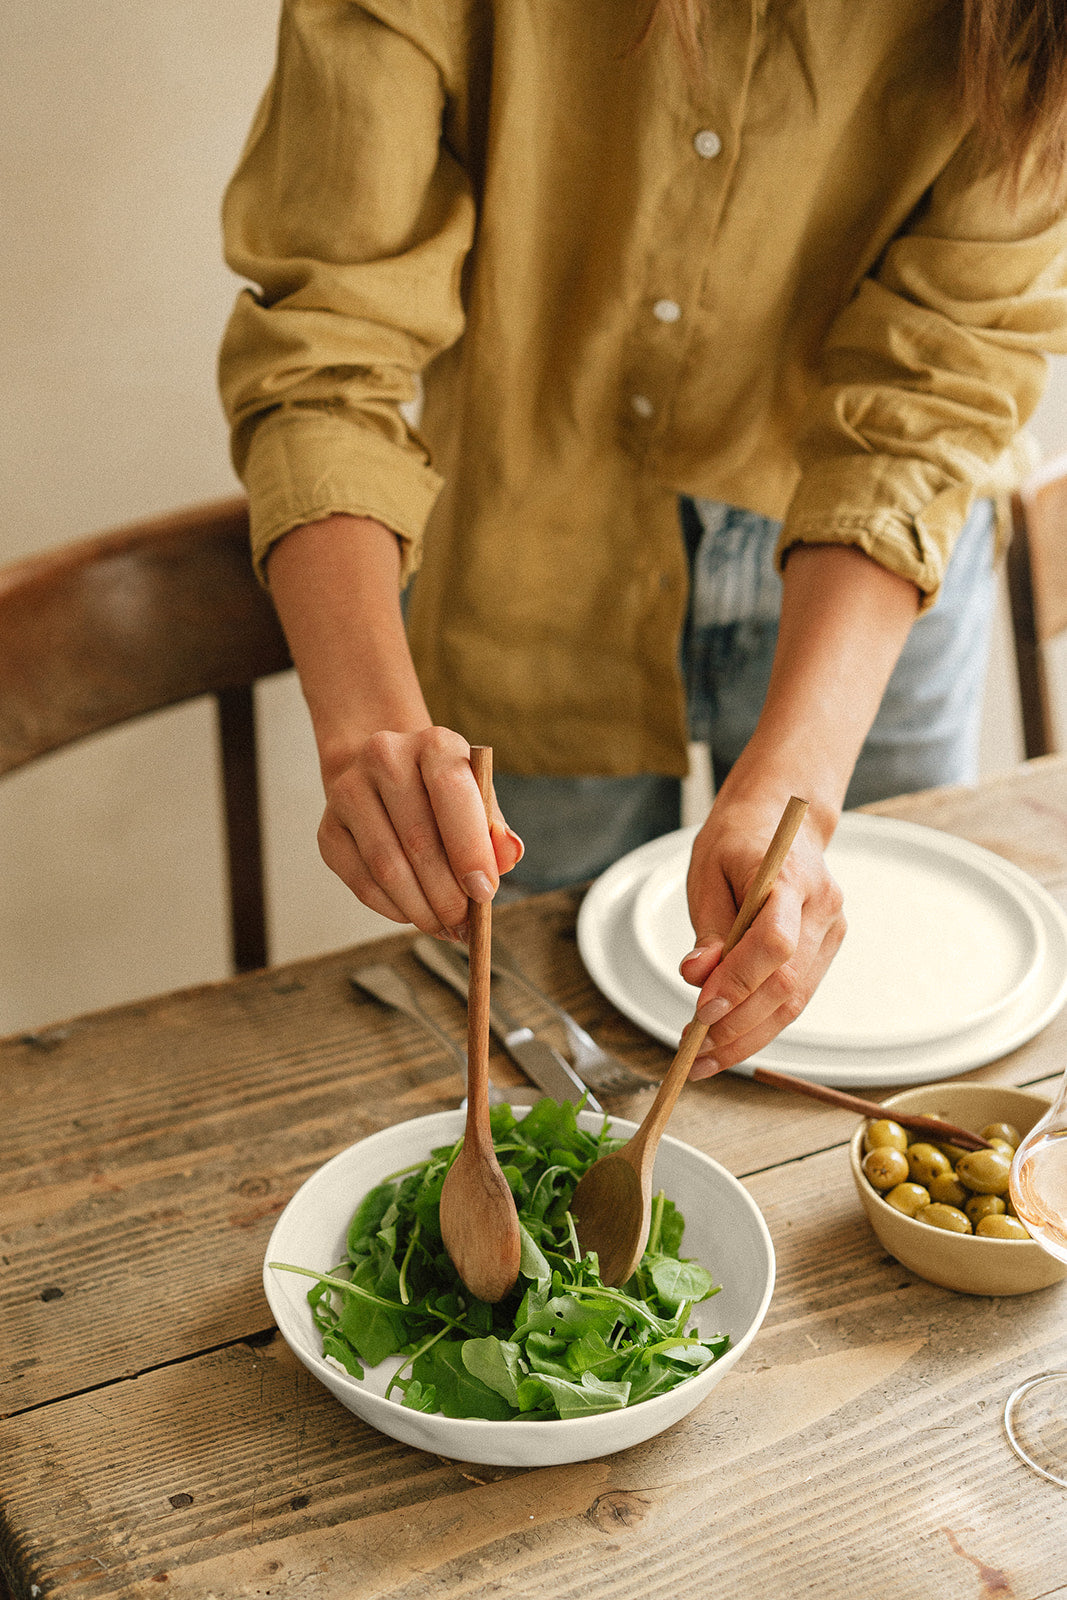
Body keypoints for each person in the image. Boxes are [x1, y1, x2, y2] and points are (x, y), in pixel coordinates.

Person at [219, 0, 1067, 1076]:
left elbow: (944, 375)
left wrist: (794, 787)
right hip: (529, 562)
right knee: (536, 1070)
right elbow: (325, 343)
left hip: (868, 589)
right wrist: (362, 724)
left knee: (876, 1025)